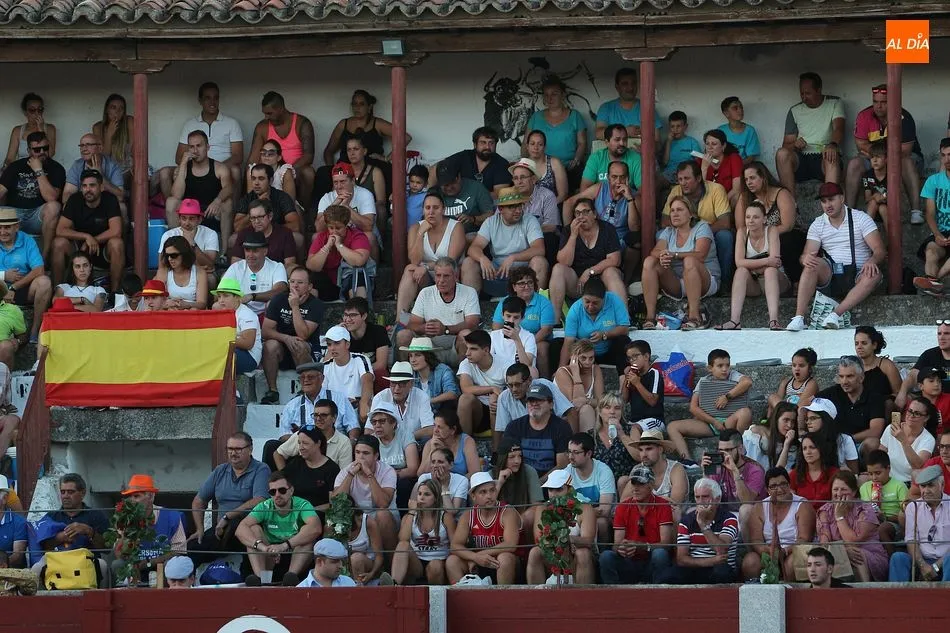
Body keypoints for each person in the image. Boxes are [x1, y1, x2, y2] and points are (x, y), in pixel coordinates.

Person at [785, 182, 886, 331]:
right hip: (832, 274)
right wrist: (805, 259)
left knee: (873, 274)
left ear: (842, 198)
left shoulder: (860, 218)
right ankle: (799, 318)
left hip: (858, 273)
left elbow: (880, 250)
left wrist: (872, 260)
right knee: (811, 264)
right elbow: (806, 255)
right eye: (824, 201)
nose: (828, 205)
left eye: (831, 199)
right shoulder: (818, 224)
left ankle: (836, 315)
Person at [845, 83, 923, 221]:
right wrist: (877, 155)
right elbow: (860, 145)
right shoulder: (864, 116)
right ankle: (848, 213)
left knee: (906, 161)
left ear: (893, 102)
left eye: (883, 102)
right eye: (875, 101)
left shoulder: (904, 117)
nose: (878, 106)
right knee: (854, 164)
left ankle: (916, 212)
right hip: (875, 157)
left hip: (904, 159)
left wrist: (882, 156)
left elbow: (905, 150)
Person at [643, 196, 720, 331]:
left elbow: (700, 255)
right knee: (650, 261)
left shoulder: (702, 227)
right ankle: (650, 317)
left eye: (679, 210)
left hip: (705, 281)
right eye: (672, 210)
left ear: (691, 214)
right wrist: (663, 255)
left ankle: (694, 317)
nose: (675, 213)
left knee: (690, 261)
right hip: (677, 283)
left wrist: (674, 255)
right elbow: (655, 251)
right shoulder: (668, 231)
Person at [189, 432, 270, 562]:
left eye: (238, 449)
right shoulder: (220, 470)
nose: (233, 453)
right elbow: (199, 501)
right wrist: (200, 529)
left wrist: (228, 516)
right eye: (230, 449)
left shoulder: (261, 469)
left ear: (250, 449)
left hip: (248, 528)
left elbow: (260, 500)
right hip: (220, 530)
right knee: (192, 547)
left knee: (234, 524)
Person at [236, 470, 322, 586]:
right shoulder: (265, 506)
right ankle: (262, 581)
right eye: (272, 492)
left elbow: (316, 528)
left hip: (294, 551)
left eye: (282, 490)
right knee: (253, 529)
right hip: (269, 553)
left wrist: (283, 546)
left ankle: (289, 580)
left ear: (291, 491)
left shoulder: (302, 504)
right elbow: (240, 529)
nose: (277, 495)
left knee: (308, 536)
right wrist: (263, 548)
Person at [667, 351, 755, 460]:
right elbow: (693, 408)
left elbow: (747, 382)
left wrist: (727, 397)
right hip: (709, 423)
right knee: (672, 427)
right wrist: (714, 422)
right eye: (720, 366)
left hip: (730, 422)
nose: (724, 369)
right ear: (710, 368)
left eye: (727, 365)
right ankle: (688, 461)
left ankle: (738, 452)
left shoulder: (733, 375)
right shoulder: (703, 381)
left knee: (746, 412)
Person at [550, 196, 626, 322]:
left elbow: (615, 260)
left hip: (602, 281)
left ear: (594, 214)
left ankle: (624, 320)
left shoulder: (607, 229)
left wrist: (590, 271)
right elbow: (564, 262)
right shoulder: (569, 230)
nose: (581, 216)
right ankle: (554, 321)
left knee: (611, 271)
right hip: (578, 283)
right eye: (577, 213)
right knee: (558, 269)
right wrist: (573, 236)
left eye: (586, 212)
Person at [266, 361, 358, 464]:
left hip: (334, 448)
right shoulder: (292, 405)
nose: (306, 380)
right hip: (302, 453)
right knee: (271, 446)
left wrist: (351, 443)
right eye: (302, 377)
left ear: (321, 378)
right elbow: (284, 434)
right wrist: (306, 444)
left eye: (310, 377)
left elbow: (353, 426)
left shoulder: (339, 398)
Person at [717, 200, 789, 331]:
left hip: (776, 281)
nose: (751, 221)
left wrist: (752, 265)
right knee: (741, 271)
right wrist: (766, 261)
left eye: (755, 217)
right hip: (754, 284)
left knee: (770, 271)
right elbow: (739, 262)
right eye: (748, 217)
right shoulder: (742, 232)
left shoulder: (771, 230)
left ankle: (774, 320)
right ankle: (734, 321)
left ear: (764, 219)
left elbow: (775, 263)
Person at [462, 186, 547, 296]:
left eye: (519, 205)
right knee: (469, 262)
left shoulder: (530, 220)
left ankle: (534, 304)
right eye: (512, 207)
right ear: (501, 209)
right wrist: (482, 258)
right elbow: (474, 247)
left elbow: (539, 249)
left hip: (524, 277)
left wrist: (513, 257)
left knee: (540, 261)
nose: (518, 210)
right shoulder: (491, 222)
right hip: (496, 274)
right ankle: (471, 305)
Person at [162, 82, 243, 197]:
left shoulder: (232, 123)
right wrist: (192, 166)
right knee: (164, 173)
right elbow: (179, 157)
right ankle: (173, 207)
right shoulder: (190, 124)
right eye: (207, 98)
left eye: (215, 98)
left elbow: (238, 156)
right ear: (200, 101)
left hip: (222, 167)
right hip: (195, 167)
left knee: (235, 171)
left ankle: (235, 209)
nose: (212, 102)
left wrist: (216, 168)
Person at [396, 257, 480, 367]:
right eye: (438, 275)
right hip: (429, 345)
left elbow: (472, 323)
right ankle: (405, 372)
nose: (441, 280)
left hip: (456, 343)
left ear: (456, 276)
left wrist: (445, 329)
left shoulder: (469, 292)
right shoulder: (425, 293)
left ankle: (464, 373)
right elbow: (413, 323)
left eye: (446, 276)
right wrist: (425, 328)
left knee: (466, 334)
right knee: (403, 335)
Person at [599, 464, 674, 584]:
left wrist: (642, 546)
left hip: (651, 560)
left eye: (641, 484)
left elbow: (666, 544)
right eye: (633, 483)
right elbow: (616, 544)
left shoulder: (663, 506)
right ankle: (612, 593)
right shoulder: (622, 507)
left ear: (651, 485)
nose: (635, 488)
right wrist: (621, 548)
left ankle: (659, 592)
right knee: (606, 556)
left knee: (660, 554)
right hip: (629, 561)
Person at [656, 478, 738, 584]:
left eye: (705, 497)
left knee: (721, 572)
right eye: (697, 497)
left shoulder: (729, 519)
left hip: (720, 569)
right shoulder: (687, 520)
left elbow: (721, 550)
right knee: (666, 577)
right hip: (695, 568)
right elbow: (681, 559)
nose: (700, 501)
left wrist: (703, 525)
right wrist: (711, 561)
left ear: (717, 499)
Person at [397, 191, 465, 320]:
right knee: (410, 269)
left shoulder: (456, 227)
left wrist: (426, 267)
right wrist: (420, 234)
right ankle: (401, 320)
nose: (431, 212)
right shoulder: (416, 228)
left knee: (437, 270)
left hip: (449, 275)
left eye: (436, 208)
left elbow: (449, 261)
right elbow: (414, 261)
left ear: (443, 210)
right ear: (423, 210)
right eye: (427, 208)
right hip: (425, 278)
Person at [259, 267, 323, 404]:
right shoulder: (278, 299)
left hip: (306, 351)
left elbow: (303, 334)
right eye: (292, 282)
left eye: (300, 282)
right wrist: (286, 338)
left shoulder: (316, 304)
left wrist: (295, 306)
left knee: (298, 344)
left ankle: (305, 391)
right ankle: (272, 391)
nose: (295, 286)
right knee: (269, 345)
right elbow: (265, 331)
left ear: (309, 286)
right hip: (282, 349)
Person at [735, 161, 806, 283]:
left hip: (788, 234)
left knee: (787, 240)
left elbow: (788, 225)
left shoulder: (781, 193)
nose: (749, 182)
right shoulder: (744, 198)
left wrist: (765, 236)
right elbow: (740, 227)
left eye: (752, 178)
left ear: (763, 177)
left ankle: (795, 281)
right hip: (758, 238)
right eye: (746, 179)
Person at [445, 472, 522, 585]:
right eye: (483, 492)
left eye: (492, 490)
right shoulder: (468, 515)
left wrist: (478, 556)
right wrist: (475, 557)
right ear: (473, 496)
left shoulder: (507, 511)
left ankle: (503, 595)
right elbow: (455, 546)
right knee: (452, 561)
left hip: (504, 563)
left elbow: (511, 544)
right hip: (478, 563)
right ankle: (462, 594)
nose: (489, 496)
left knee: (504, 557)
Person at [52, 169, 124, 287]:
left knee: (117, 243)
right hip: (79, 249)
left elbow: (116, 231)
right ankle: (58, 290)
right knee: (58, 243)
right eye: (84, 186)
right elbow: (60, 230)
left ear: (101, 187)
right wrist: (86, 237)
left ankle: (115, 292)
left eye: (92, 185)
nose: (88, 189)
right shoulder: (74, 199)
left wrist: (94, 240)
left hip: (103, 249)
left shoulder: (110, 199)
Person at [741, 466, 815, 581]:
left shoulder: (802, 505)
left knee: (791, 563)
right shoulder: (759, 507)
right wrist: (769, 552)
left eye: (783, 484)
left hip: (793, 551)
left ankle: (790, 591)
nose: (780, 490)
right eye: (774, 486)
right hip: (768, 553)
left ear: (789, 485)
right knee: (750, 561)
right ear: (767, 490)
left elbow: (804, 539)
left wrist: (785, 551)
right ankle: (756, 590)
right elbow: (756, 540)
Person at [661, 161, 733, 279]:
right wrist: (685, 231)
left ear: (698, 178)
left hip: (709, 233)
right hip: (682, 233)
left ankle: (725, 281)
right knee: (660, 234)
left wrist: (700, 233)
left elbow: (725, 222)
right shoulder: (676, 191)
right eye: (680, 179)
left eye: (687, 178)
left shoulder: (716, 189)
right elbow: (664, 220)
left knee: (725, 236)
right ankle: (673, 278)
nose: (683, 183)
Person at [775, 72, 845, 191]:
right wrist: (795, 145)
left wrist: (832, 145)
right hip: (801, 158)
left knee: (831, 156)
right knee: (781, 154)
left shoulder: (834, 103)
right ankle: (789, 201)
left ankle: (830, 198)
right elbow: (786, 144)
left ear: (819, 90)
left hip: (824, 156)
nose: (804, 97)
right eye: (801, 93)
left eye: (808, 93)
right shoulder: (794, 110)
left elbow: (839, 129)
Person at [0, 131, 64, 260]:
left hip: (37, 216)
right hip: (15, 214)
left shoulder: (56, 168)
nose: (42, 152)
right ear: (29, 151)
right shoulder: (16, 166)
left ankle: (45, 257)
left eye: (45, 148)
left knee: (54, 207)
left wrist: (39, 171)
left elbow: (51, 198)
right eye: (37, 150)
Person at [526, 469, 597, 584]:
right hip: (554, 555)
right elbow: (539, 539)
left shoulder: (585, 508)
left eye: (559, 489)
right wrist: (563, 542)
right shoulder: (542, 508)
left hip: (576, 557)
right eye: (550, 489)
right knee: (535, 552)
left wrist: (569, 540)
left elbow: (588, 541)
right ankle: (536, 593)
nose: (554, 494)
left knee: (583, 553)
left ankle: (583, 593)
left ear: (570, 490)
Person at [33, 473, 109, 580]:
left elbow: (107, 548)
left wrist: (89, 531)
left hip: (86, 562)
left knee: (102, 565)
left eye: (70, 492)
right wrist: (60, 538)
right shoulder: (51, 517)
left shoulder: (96, 515)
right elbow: (39, 548)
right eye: (63, 492)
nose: (65, 496)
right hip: (57, 562)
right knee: (36, 568)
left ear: (82, 493)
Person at [165, 129, 233, 248]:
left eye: (199, 146)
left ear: (207, 147)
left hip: (211, 211)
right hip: (189, 213)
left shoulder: (219, 168)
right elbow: (176, 195)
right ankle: (177, 247)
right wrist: (183, 164)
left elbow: (229, 188)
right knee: (171, 202)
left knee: (227, 202)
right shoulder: (183, 168)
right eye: (192, 147)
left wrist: (217, 201)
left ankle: (224, 251)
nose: (195, 150)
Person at [816, 470, 889, 581]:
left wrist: (839, 516)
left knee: (856, 554)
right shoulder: (825, 511)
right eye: (835, 489)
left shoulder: (865, 509)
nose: (839, 493)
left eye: (843, 489)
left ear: (854, 492)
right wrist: (843, 551)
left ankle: (864, 589)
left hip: (871, 556)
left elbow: (854, 541)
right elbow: (824, 543)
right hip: (838, 555)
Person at [331, 435, 399, 552]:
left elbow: (382, 503)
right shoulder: (346, 471)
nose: (360, 457)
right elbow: (336, 502)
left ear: (376, 456)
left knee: (382, 514)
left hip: (383, 519)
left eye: (366, 453)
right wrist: (350, 475)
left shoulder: (387, 471)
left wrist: (369, 474)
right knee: (338, 515)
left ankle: (389, 560)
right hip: (357, 518)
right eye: (357, 452)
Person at [813, 355, 886, 463]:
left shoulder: (874, 398)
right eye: (841, 376)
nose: (844, 381)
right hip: (836, 445)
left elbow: (875, 431)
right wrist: (801, 429)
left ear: (861, 378)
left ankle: (869, 472)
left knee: (873, 443)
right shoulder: (833, 392)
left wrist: (847, 440)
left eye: (849, 376)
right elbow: (806, 403)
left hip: (858, 444)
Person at [249, 92, 316, 207]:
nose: (266, 117)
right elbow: (253, 159)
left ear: (281, 109)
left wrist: (285, 172)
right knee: (251, 171)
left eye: (269, 113)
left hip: (295, 171)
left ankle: (304, 209)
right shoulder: (262, 126)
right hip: (269, 171)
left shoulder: (301, 123)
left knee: (309, 173)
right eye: (264, 113)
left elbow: (309, 156)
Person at [889, 464, 950, 581]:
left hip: (945, 562)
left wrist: (936, 566)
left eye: (930, 485)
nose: (926, 491)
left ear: (942, 485)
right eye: (923, 486)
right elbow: (911, 540)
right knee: (898, 558)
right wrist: (923, 565)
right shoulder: (913, 507)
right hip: (921, 562)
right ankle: (897, 594)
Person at [491, 268, 555, 378]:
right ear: (514, 287)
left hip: (536, 339)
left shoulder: (544, 302)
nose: (526, 286)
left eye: (530, 282)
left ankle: (544, 380)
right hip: (509, 338)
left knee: (541, 347)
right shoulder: (506, 302)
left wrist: (526, 342)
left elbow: (546, 329)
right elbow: (496, 327)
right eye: (521, 283)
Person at [523, 76, 587, 187]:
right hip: (540, 169)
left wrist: (576, 160)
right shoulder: (536, 117)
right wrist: (525, 164)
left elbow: (582, 143)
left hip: (569, 169)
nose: (550, 98)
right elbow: (525, 143)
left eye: (554, 94)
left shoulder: (575, 116)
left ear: (563, 95)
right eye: (546, 95)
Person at [555, 276, 630, 371]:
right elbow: (569, 341)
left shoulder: (614, 300)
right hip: (584, 355)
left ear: (604, 299)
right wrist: (560, 369)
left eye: (595, 303)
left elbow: (625, 328)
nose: (590, 306)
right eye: (587, 301)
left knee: (623, 340)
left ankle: (623, 375)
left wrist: (605, 334)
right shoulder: (575, 310)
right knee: (556, 344)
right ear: (582, 298)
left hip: (609, 352)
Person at [502, 383, 573, 483]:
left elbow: (562, 465)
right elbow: (506, 461)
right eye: (530, 400)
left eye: (540, 400)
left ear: (551, 404)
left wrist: (537, 484)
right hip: (520, 482)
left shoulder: (562, 427)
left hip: (551, 484)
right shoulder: (514, 427)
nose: (534, 403)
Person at [494, 362, 575, 449]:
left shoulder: (545, 385)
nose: (514, 389)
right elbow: (502, 431)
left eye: (518, 384)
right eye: (510, 385)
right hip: (522, 444)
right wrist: (497, 453)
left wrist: (573, 445)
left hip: (551, 437)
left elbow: (570, 412)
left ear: (529, 380)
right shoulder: (504, 397)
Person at [323, 89, 410, 167]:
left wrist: (386, 158)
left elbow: (406, 137)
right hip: (346, 170)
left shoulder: (378, 124)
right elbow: (329, 151)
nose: (357, 107)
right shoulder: (343, 124)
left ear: (369, 107)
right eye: (354, 104)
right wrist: (332, 171)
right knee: (322, 173)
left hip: (372, 170)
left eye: (361, 104)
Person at [392, 478, 455, 585]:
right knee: (403, 545)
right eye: (419, 494)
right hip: (417, 562)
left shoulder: (446, 517)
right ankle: (393, 584)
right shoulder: (409, 516)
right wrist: (412, 512)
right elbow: (402, 539)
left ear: (436, 498)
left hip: (439, 562)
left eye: (427, 494)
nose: (421, 497)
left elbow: (454, 545)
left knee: (435, 565)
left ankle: (435, 594)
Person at [307, 204, 373, 302]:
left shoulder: (357, 236)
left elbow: (359, 261)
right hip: (330, 285)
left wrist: (339, 245)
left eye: (338, 228)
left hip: (350, 282)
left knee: (358, 275)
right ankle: (311, 310)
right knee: (315, 277)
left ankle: (359, 309)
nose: (334, 232)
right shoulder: (322, 237)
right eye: (331, 228)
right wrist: (327, 246)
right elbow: (312, 266)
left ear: (346, 225)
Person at [0, 207, 49, 341]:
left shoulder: (27, 240)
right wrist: (4, 275)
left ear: (16, 227)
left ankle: (34, 332)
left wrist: (13, 287)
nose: (2, 232)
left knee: (44, 282)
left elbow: (39, 269)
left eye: (7, 227)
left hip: (21, 288)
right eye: (0, 228)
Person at [275, 397, 356, 472]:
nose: (318, 419)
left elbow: (344, 474)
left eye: (323, 415)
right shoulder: (302, 434)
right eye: (315, 415)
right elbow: (278, 454)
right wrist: (284, 477)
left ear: (334, 417)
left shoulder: (344, 442)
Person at [233, 164, 302, 251]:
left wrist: (269, 229)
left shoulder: (282, 197)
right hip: (253, 234)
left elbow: (295, 226)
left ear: (271, 180)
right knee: (233, 239)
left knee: (298, 238)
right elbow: (237, 227)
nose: (256, 183)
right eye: (253, 178)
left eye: (261, 179)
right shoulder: (247, 199)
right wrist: (255, 209)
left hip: (277, 234)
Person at [119, 474, 187, 563]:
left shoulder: (172, 516)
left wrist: (149, 562)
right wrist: (124, 538)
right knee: (117, 564)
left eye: (136, 496)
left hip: (163, 566)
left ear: (151, 496)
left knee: (175, 563)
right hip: (134, 566)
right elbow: (120, 555)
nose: (132, 501)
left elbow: (179, 552)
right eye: (129, 497)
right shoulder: (124, 518)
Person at [563, 433, 616, 544]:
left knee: (601, 522)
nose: (570, 457)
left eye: (576, 452)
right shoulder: (566, 472)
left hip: (596, 519)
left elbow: (604, 510)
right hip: (577, 518)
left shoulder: (603, 471)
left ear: (588, 454)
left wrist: (583, 516)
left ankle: (603, 552)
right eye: (569, 452)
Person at [221, 230, 289, 316]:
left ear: (265, 251)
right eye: (247, 250)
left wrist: (253, 296)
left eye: (255, 251)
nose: (250, 255)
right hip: (240, 311)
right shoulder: (236, 267)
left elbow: (280, 290)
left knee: (271, 304)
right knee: (217, 306)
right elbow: (222, 292)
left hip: (266, 313)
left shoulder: (277, 267)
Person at [914, 139, 950, 296]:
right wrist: (937, 234)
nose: (947, 159)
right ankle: (933, 283)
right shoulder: (933, 181)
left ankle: (933, 282)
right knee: (931, 250)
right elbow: (930, 213)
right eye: (943, 155)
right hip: (942, 232)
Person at [367, 401, 419, 511]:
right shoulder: (371, 440)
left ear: (393, 423)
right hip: (378, 479)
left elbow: (413, 469)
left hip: (400, 479)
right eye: (374, 422)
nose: (377, 425)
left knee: (403, 484)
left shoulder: (405, 435)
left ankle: (402, 516)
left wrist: (389, 475)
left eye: (382, 421)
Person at [703, 429, 767, 517]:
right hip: (726, 515)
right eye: (720, 450)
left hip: (752, 516)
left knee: (745, 510)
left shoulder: (755, 470)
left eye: (728, 450)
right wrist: (706, 473)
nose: (723, 454)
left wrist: (735, 472)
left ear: (740, 449)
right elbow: (708, 496)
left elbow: (747, 501)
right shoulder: (719, 467)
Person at [509, 157, 560, 265]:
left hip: (538, 240)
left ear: (533, 179)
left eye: (523, 177)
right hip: (512, 240)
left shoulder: (547, 195)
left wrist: (527, 233)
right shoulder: (508, 196)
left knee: (550, 238)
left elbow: (551, 226)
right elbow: (498, 222)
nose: (519, 182)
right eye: (516, 178)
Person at [457, 329, 508, 437]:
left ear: (486, 350)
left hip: (500, 411)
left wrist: (498, 398)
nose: (467, 353)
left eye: (473, 349)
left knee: (494, 398)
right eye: (467, 348)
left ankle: (496, 447)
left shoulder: (505, 364)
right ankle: (465, 444)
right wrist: (492, 388)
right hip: (478, 412)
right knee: (465, 398)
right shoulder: (466, 364)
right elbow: (466, 388)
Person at [594, 68, 661, 146]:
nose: (630, 87)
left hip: (640, 153)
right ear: (617, 87)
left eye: (633, 83)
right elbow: (598, 133)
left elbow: (657, 142)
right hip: (614, 154)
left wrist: (645, 149)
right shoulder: (606, 108)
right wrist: (625, 131)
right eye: (625, 84)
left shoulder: (648, 108)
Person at [322, 324, 374, 424]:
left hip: (357, 409)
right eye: (329, 344)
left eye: (337, 343)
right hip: (336, 413)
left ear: (347, 344)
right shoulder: (325, 366)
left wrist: (363, 402)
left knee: (365, 408)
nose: (332, 348)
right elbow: (323, 395)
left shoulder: (360, 359)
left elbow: (367, 381)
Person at [371, 360, 435, 441]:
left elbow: (429, 429)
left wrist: (403, 440)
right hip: (386, 443)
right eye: (393, 383)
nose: (397, 388)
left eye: (402, 383)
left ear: (411, 383)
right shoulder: (380, 397)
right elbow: (369, 429)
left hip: (415, 443)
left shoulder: (421, 396)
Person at [61, 134, 125, 215]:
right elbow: (66, 196)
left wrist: (100, 175)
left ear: (100, 148)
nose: (84, 149)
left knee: (122, 207)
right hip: (83, 203)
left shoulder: (113, 166)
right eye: (82, 146)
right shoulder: (77, 165)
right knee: (67, 206)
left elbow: (120, 197)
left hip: (105, 205)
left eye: (88, 145)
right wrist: (88, 201)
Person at [439, 127, 512, 196]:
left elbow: (498, 194)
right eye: (483, 142)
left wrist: (473, 199)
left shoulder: (502, 164)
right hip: (459, 201)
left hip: (488, 203)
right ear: (475, 144)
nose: (487, 147)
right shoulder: (464, 156)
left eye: (491, 143)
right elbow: (439, 167)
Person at [210, 278, 262, 374]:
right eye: (219, 296)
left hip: (250, 357)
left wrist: (222, 339)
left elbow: (248, 344)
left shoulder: (247, 314)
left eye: (226, 296)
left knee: (218, 356)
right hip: (230, 350)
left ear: (237, 297)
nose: (221, 300)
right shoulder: (222, 311)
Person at [282, 427, 341, 513]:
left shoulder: (331, 469)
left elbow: (332, 504)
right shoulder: (296, 463)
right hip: (293, 513)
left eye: (305, 443)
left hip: (317, 515)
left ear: (318, 443)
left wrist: (308, 511)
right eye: (299, 443)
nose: (301, 447)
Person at [880, 397, 936, 486]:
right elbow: (880, 456)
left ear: (926, 418)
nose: (911, 415)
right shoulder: (891, 428)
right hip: (888, 480)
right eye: (910, 411)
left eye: (917, 413)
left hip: (910, 483)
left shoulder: (928, 439)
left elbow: (918, 466)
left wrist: (903, 441)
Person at [159, 198, 219, 281]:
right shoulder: (169, 235)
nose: (187, 223)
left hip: (200, 273)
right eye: (184, 218)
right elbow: (162, 265)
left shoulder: (210, 233)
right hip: (175, 272)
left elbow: (209, 265)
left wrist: (192, 244)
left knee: (210, 279)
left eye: (191, 219)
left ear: (199, 220)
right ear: (179, 219)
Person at [860, 449, 908, 548]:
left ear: (888, 469)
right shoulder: (864, 487)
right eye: (870, 474)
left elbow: (906, 515)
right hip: (869, 523)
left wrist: (885, 518)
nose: (874, 478)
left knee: (882, 528)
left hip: (893, 525)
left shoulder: (899, 486)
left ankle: (890, 556)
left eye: (878, 473)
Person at [553, 339, 603, 433]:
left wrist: (586, 401)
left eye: (591, 358)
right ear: (573, 358)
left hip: (588, 416)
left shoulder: (595, 369)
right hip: (565, 418)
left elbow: (601, 402)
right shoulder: (562, 372)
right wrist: (576, 373)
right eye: (583, 358)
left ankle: (587, 441)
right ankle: (584, 441)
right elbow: (575, 405)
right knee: (586, 409)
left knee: (588, 409)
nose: (588, 362)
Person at [493, 438, 544, 529]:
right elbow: (485, 506)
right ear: (502, 458)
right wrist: (499, 483)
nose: (517, 461)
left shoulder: (529, 472)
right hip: (496, 521)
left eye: (520, 456)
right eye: (512, 457)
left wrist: (516, 524)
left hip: (521, 522)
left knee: (534, 512)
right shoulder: (490, 475)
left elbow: (536, 506)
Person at [897, 323, 950, 409]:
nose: (941, 337)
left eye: (947, 333)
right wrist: (902, 394)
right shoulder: (929, 354)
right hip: (931, 399)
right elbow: (913, 376)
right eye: (939, 333)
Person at [432, 159, 494, 231]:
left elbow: (490, 216)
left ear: (459, 176)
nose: (449, 187)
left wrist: (473, 219)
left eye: (452, 182)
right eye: (445, 185)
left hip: (472, 233)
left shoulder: (476, 188)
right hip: (443, 234)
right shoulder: (435, 193)